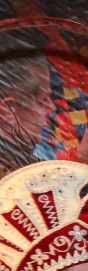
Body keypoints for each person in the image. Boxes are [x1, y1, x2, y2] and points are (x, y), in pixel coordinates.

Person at [0, 35, 57, 172]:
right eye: (42, 100)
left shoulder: (27, 157)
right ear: (8, 110)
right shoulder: (13, 176)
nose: (52, 108)